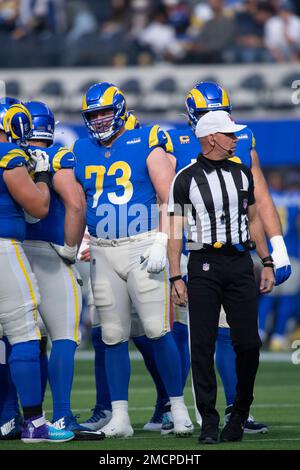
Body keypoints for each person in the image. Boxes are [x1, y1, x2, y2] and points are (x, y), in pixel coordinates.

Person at [161, 80, 290, 434]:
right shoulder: (182, 170)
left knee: (248, 342)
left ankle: (239, 410)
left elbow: (255, 215)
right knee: (201, 343)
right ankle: (208, 419)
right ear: (211, 135)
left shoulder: (241, 170)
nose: (235, 135)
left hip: (238, 262)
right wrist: (175, 273)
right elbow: (174, 226)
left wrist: (268, 257)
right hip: (201, 263)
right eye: (226, 131)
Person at [73, 82, 193, 438]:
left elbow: (172, 195)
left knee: (158, 329)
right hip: (102, 249)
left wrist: (161, 239)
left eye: (104, 113)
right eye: (93, 115)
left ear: (122, 110)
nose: (98, 121)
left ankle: (178, 408)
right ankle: (120, 418)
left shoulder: (147, 139)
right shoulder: (80, 148)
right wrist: (80, 237)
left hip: (142, 245)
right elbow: (81, 201)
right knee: (111, 335)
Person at [22, 101, 102, 441]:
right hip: (52, 255)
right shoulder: (58, 157)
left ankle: (20, 417)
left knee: (24, 341)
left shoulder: (9, 156)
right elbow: (76, 204)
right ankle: (63, 415)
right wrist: (70, 247)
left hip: (16, 255)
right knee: (64, 337)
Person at [0, 102, 74, 443]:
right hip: (4, 249)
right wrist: (42, 175)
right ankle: (33, 422)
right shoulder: (8, 156)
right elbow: (39, 206)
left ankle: (5, 417)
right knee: (25, 334)